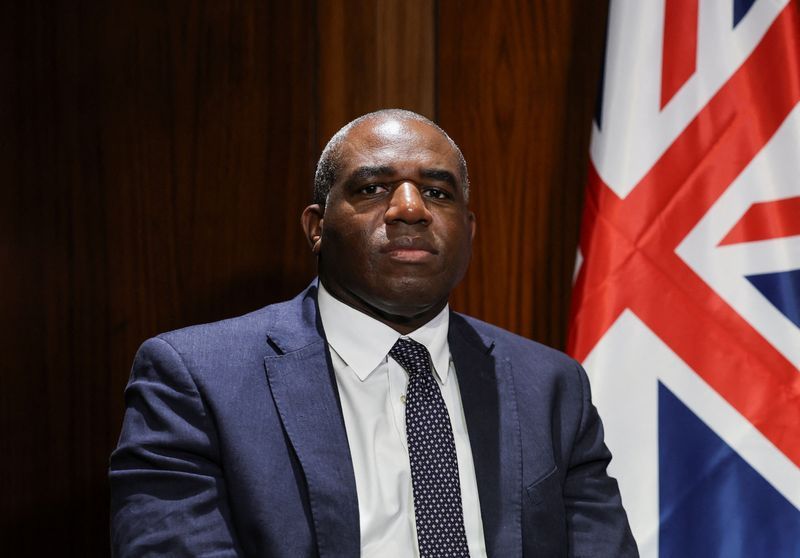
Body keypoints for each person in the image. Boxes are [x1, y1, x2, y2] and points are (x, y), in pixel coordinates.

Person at [109, 109, 638, 557]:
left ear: (469, 232)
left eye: (437, 192)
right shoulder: (196, 379)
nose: (410, 209)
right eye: (372, 188)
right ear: (317, 227)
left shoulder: (550, 385)